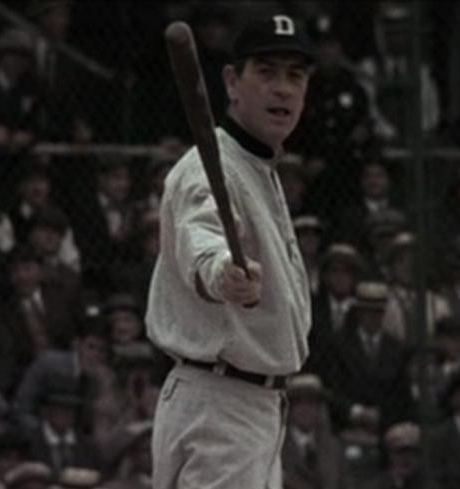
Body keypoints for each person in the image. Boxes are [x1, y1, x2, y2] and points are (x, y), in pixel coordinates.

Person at [145, 13, 315, 489]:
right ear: (231, 82)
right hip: (222, 404)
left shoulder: (254, 165)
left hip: (241, 405)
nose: (282, 89)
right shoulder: (207, 166)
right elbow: (201, 238)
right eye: (267, 72)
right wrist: (222, 274)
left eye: (295, 75)